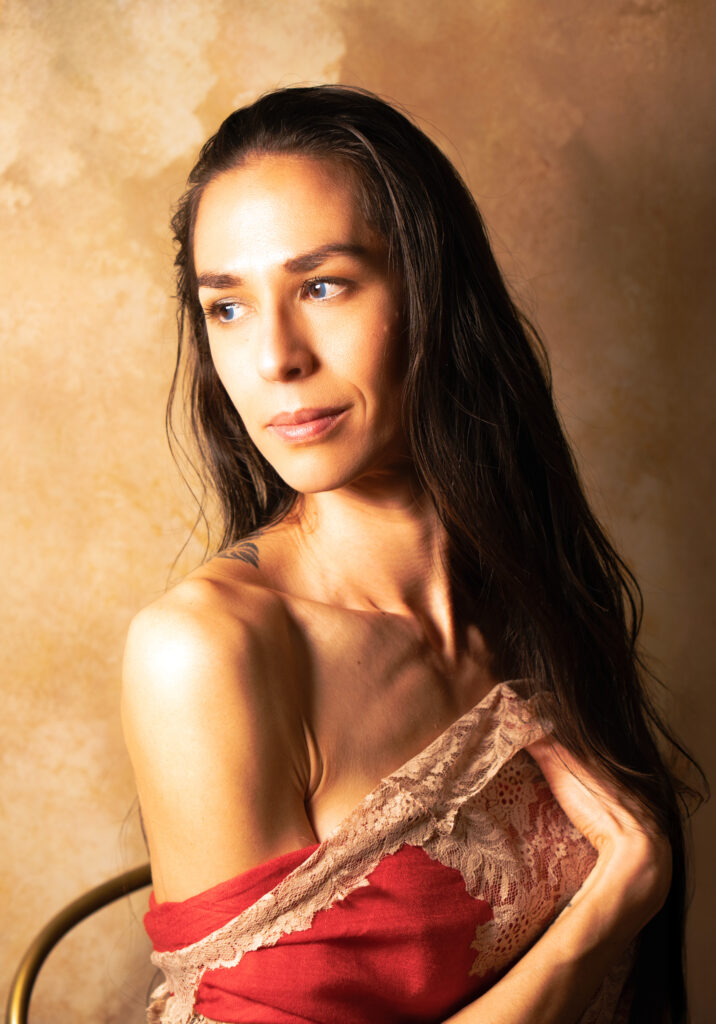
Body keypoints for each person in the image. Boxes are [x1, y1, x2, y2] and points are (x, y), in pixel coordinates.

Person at [121, 85, 703, 1024]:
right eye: (226, 307)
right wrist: (608, 908)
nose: (274, 358)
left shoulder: (530, 586)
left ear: (432, 291)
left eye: (322, 286)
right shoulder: (208, 649)